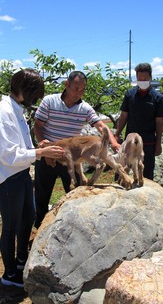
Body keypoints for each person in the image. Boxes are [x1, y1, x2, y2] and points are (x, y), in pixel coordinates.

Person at [0, 69, 65, 288]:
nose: (36, 100)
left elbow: (18, 147)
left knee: (28, 217)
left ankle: (21, 261)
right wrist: (40, 154)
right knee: (10, 226)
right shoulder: (3, 113)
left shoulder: (17, 110)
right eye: (35, 95)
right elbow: (8, 155)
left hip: (20, 174)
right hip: (6, 179)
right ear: (23, 90)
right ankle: (9, 274)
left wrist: (35, 147)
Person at [33, 70, 120, 228]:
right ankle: (39, 229)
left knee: (76, 194)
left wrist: (113, 142)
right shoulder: (49, 101)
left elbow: (99, 124)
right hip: (48, 156)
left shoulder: (85, 108)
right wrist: (46, 151)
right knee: (42, 195)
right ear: (67, 85)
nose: (79, 92)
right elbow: (38, 126)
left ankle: (73, 229)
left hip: (72, 157)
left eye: (83, 89)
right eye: (76, 88)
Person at [115, 63, 163, 180]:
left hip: (148, 142)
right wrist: (117, 134)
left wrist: (158, 143)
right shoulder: (129, 95)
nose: (142, 81)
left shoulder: (157, 98)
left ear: (150, 78)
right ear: (136, 78)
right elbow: (123, 116)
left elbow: (159, 122)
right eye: (139, 78)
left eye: (145, 79)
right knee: (121, 170)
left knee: (146, 173)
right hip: (129, 140)